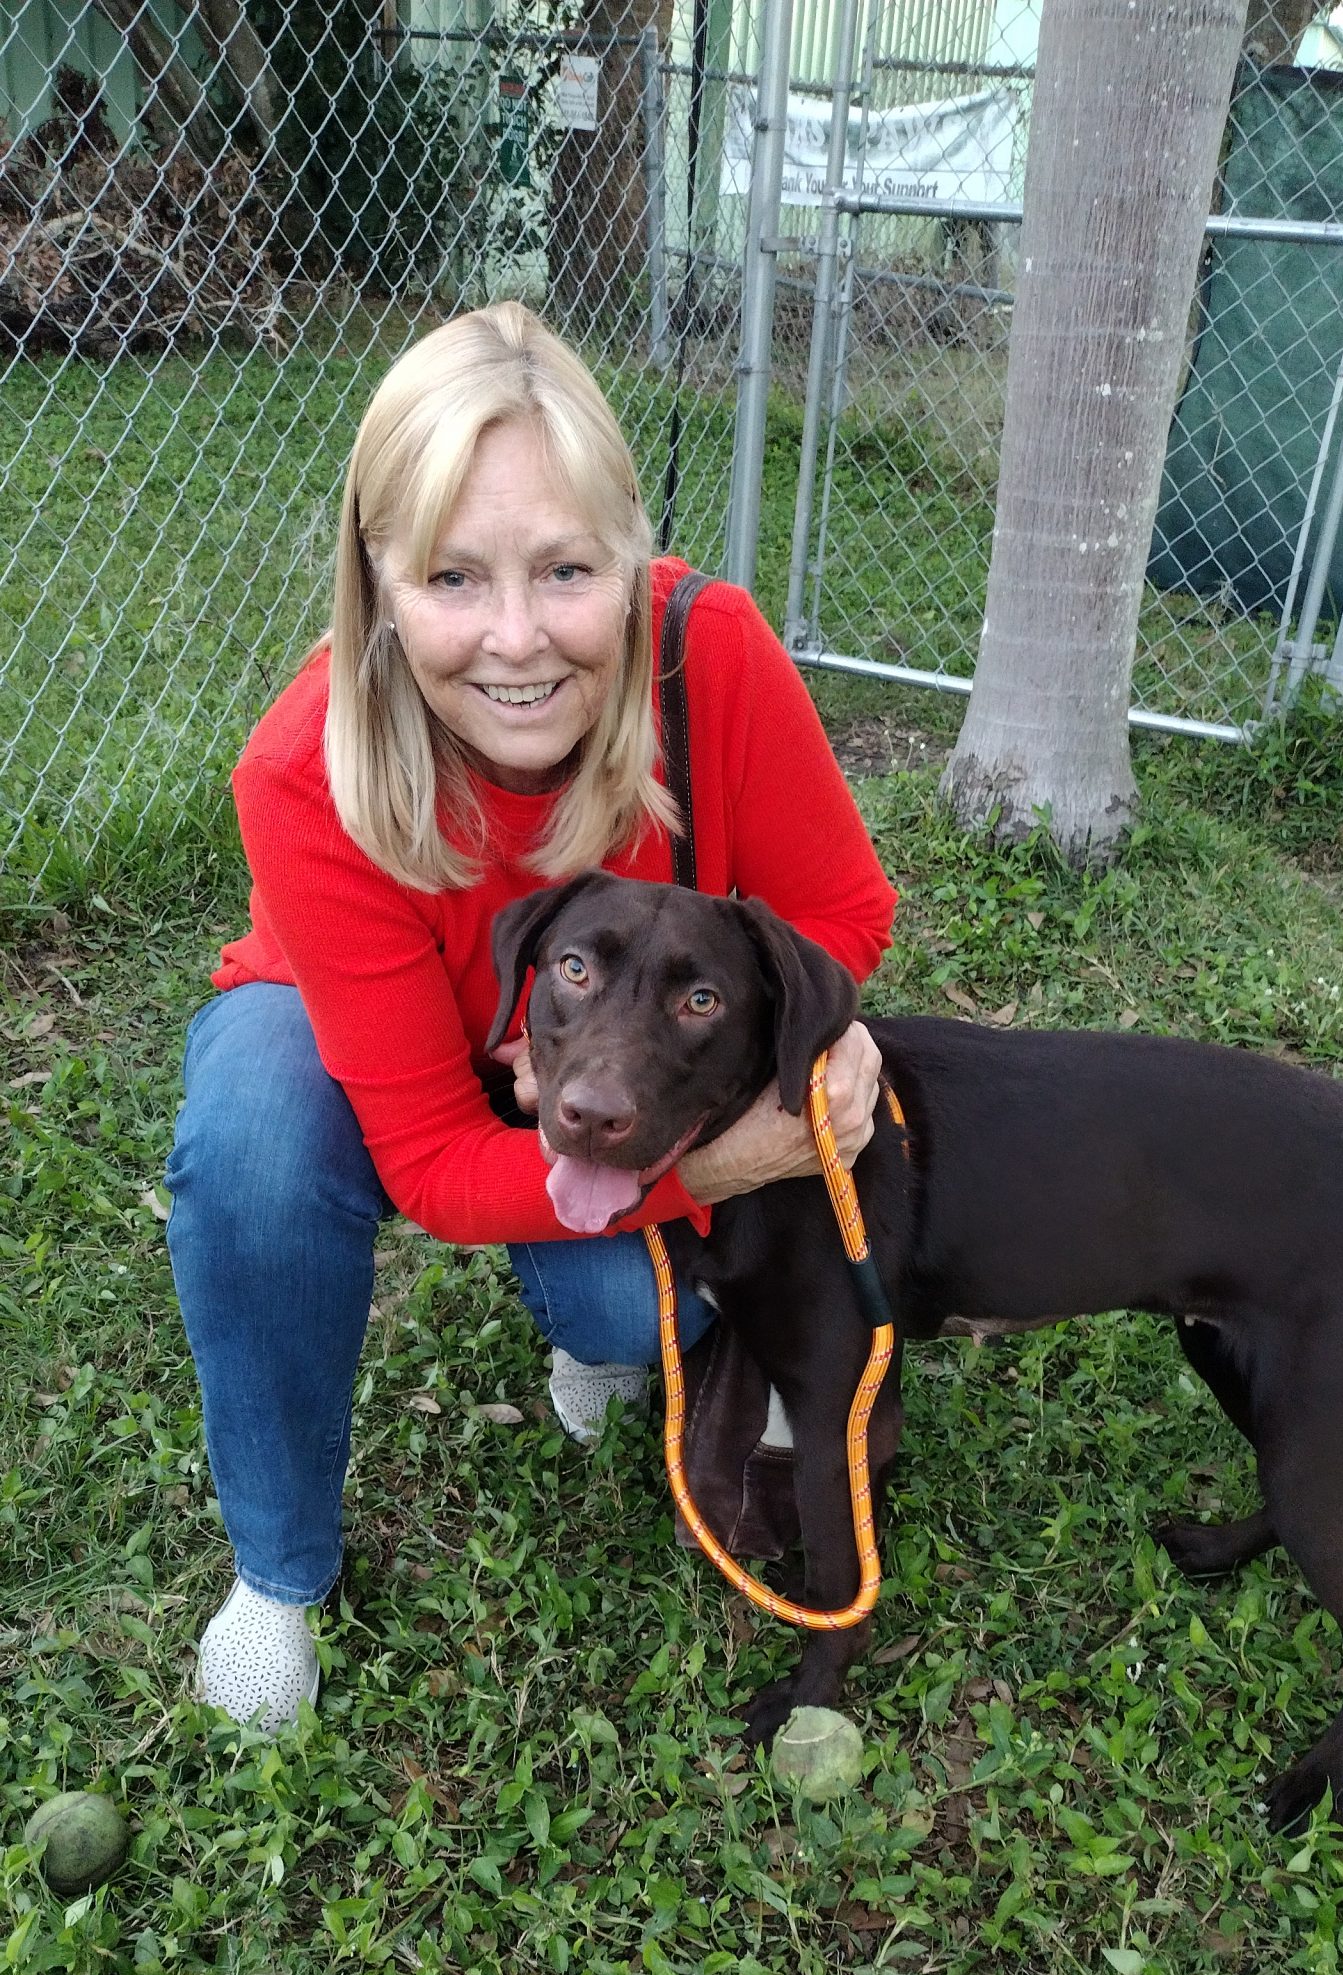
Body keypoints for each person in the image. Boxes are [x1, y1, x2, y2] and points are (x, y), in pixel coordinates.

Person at [166, 302, 897, 1733]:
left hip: (620, 1067)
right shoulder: (304, 775)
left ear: (628, 558)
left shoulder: (712, 654)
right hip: (383, 1058)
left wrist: (750, 1061)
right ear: (377, 581)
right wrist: (717, 1166)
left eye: (564, 570)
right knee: (254, 1124)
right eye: (451, 577)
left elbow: (841, 917)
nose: (515, 640)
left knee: (630, 1309)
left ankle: (597, 1321)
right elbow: (435, 1164)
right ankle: (276, 1574)